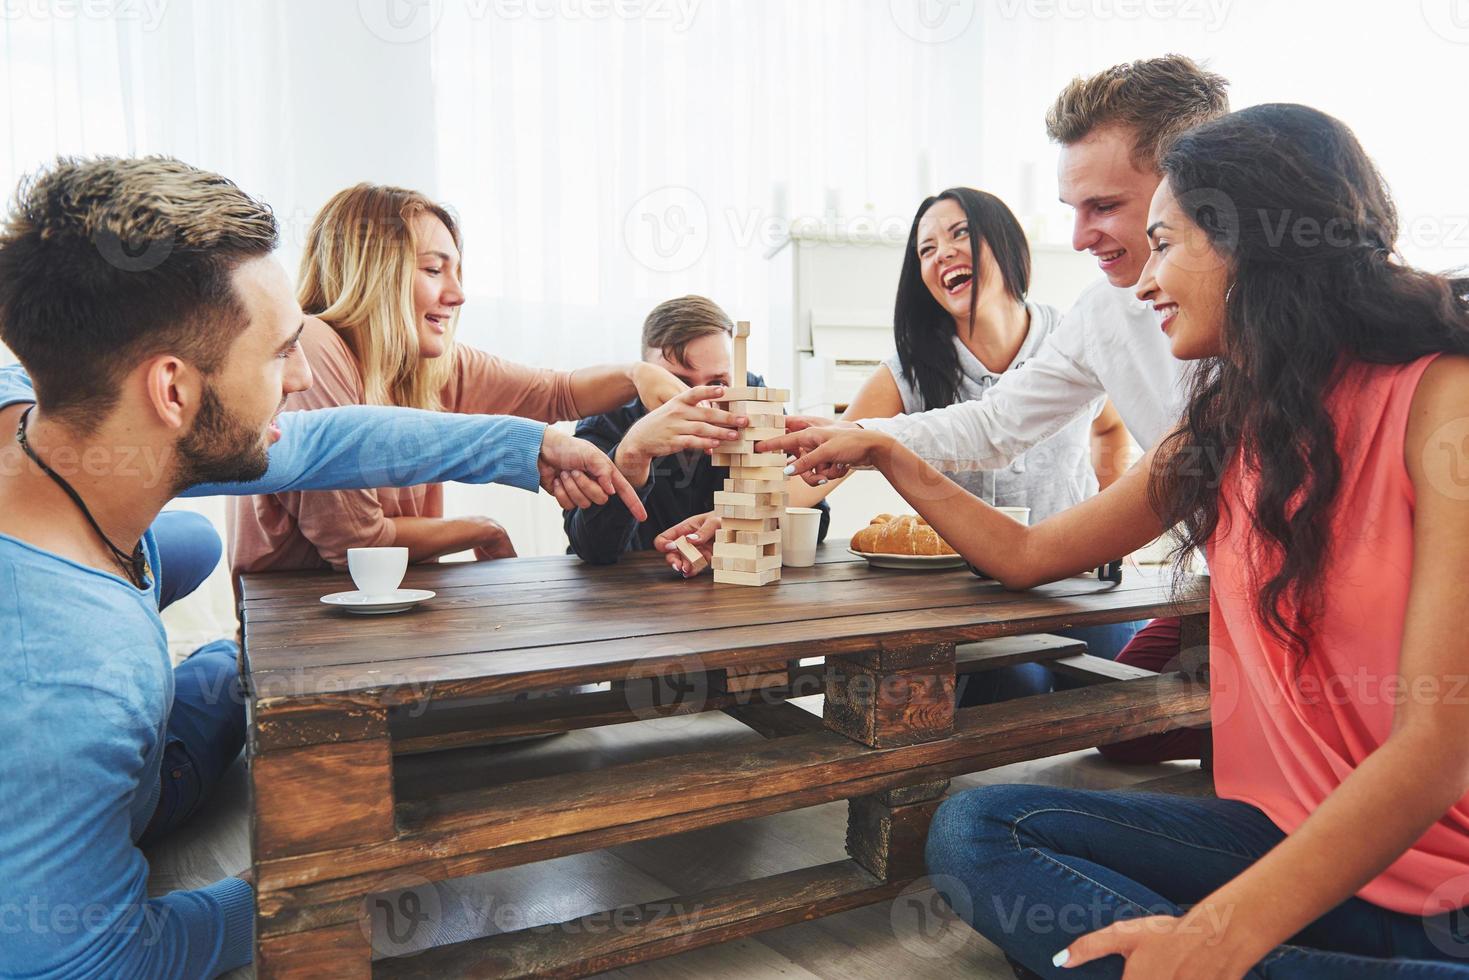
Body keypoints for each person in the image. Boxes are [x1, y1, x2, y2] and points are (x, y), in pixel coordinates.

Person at [768, 104, 1469, 977]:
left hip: (1445, 885)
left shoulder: (1444, 402)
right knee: (980, 828)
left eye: (1164, 244)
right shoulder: (1220, 429)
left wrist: (1217, 935)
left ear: (1252, 243)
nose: (1141, 283)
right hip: (1284, 839)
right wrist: (884, 452)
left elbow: (1435, 754)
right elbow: (1027, 555)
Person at [0, 156, 640, 979]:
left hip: (114, 681)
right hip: (117, 776)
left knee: (203, 586)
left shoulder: (37, 402)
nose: (302, 379)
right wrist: (336, 887)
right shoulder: (69, 684)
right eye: (278, 356)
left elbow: (320, 442)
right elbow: (88, 960)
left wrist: (529, 446)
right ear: (172, 392)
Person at [778, 55, 1230, 742]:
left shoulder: (1264, 361)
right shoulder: (1099, 317)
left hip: (1143, 584)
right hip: (1148, 580)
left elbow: (1080, 484)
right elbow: (996, 426)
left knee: (1133, 726)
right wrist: (865, 441)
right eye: (1072, 211)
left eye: (1104, 206)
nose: (1079, 237)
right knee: (1113, 727)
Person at [230, 183, 686, 576]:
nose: (458, 294)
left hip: (401, 615)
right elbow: (356, 544)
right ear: (372, 273)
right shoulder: (314, 346)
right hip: (303, 633)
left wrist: (637, 374)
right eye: (433, 269)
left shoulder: (433, 365)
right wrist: (481, 528)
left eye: (456, 271)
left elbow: (556, 392)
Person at [820, 187, 1139, 691]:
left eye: (958, 233)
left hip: (1075, 578)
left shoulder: (1070, 339)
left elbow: (1110, 427)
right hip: (972, 594)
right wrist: (731, 520)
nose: (941, 252)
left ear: (1006, 242)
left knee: (1125, 683)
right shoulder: (907, 371)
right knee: (1017, 686)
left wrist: (1113, 519)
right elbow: (825, 460)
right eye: (925, 249)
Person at [566, 295, 829, 564]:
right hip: (625, 594)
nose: (699, 401)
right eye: (676, 382)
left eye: (716, 382)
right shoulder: (608, 417)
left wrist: (734, 531)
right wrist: (633, 454)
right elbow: (590, 547)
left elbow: (813, 521)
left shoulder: (752, 399)